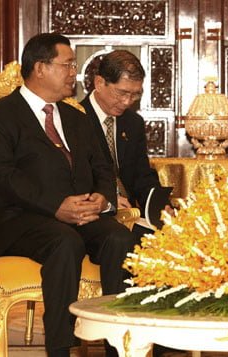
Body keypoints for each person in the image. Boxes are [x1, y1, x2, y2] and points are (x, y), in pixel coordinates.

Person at [0, 33, 139, 357]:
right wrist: (56, 206)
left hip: (80, 215)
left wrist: (102, 199)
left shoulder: (76, 118)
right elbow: (4, 176)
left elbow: (105, 169)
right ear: (40, 68)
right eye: (67, 65)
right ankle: (60, 348)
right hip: (21, 220)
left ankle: (119, 344)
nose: (73, 74)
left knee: (120, 238)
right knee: (65, 241)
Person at [80, 50, 167, 236]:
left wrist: (161, 206)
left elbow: (142, 175)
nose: (127, 101)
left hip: (131, 214)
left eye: (135, 95)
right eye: (122, 93)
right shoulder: (75, 119)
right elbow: (76, 178)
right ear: (99, 83)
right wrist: (109, 200)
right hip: (96, 215)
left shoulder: (132, 123)